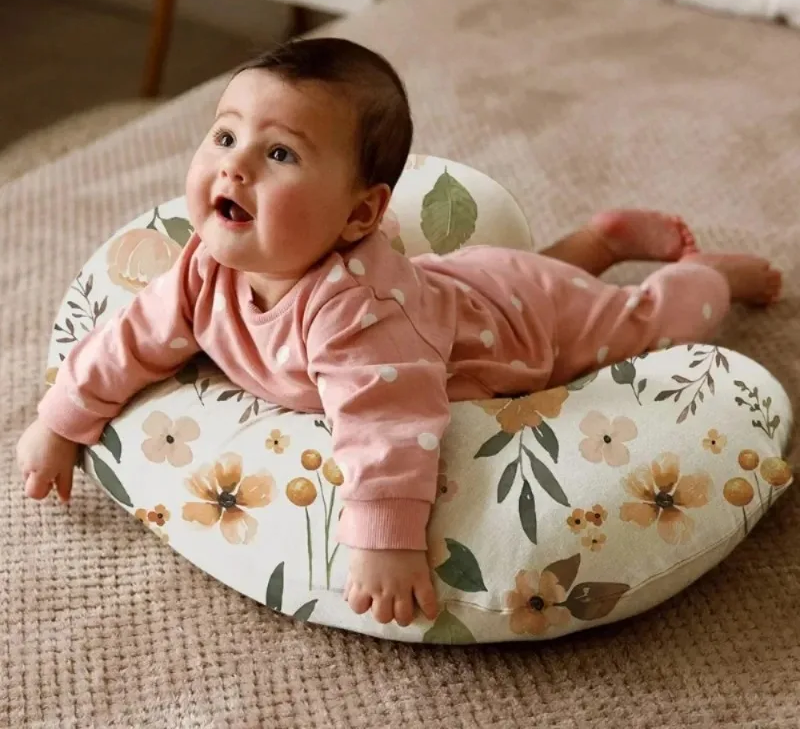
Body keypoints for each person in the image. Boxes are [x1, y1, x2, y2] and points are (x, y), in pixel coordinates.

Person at [16, 38, 782, 628]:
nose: (236, 166)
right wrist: (60, 421)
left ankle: (713, 276)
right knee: (519, 269)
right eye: (224, 137)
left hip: (524, 325)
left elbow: (391, 427)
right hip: (470, 286)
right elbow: (129, 339)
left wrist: (385, 542)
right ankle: (602, 239)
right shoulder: (201, 265)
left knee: (639, 322)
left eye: (278, 153)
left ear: (358, 216)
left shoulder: (356, 315)